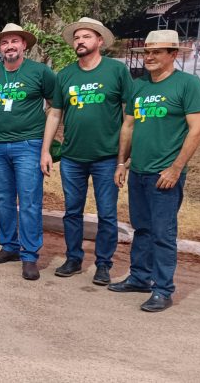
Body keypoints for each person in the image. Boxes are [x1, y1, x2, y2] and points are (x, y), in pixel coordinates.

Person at [110, 30, 200, 312]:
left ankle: (163, 289)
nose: (149, 57)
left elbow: (197, 130)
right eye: (146, 52)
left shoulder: (187, 84)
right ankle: (140, 277)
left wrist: (176, 168)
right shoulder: (139, 86)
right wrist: (121, 162)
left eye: (157, 52)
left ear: (173, 55)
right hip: (138, 171)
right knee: (141, 228)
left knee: (163, 233)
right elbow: (128, 126)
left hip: (165, 174)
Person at [42, 17, 132, 284]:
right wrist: (45, 151)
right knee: (72, 211)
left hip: (106, 157)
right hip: (72, 157)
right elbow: (55, 113)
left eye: (86, 37)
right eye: (77, 38)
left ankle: (103, 264)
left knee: (107, 213)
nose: (80, 41)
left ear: (100, 41)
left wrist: (123, 159)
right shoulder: (66, 74)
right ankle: (73, 258)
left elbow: (130, 116)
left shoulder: (117, 71)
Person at [0, 23, 57, 280]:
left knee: (29, 201)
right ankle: (10, 246)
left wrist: (46, 147)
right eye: (4, 43)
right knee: (2, 199)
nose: (9, 46)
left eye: (14, 41)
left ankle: (30, 255)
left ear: (24, 45)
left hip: (29, 144)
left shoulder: (40, 72)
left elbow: (54, 107)